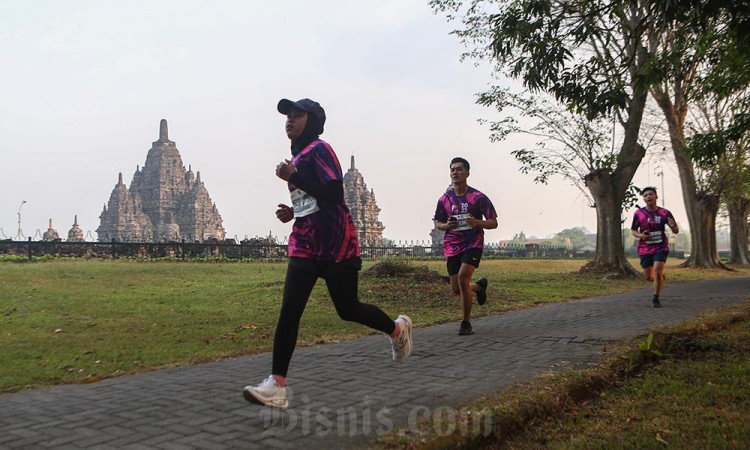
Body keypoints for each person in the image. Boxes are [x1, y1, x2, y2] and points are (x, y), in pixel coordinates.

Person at [243, 98, 413, 409]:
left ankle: (397, 329)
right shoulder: (299, 156)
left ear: (314, 121)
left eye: (297, 115)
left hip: (337, 243)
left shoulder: (320, 149)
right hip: (305, 242)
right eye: (287, 116)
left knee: (348, 309)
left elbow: (335, 194)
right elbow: (313, 200)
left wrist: (293, 176)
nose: (289, 121)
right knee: (290, 309)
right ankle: (276, 385)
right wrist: (293, 212)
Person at [433, 157, 498, 335]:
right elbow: (438, 222)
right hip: (452, 244)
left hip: (473, 242)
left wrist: (477, 222)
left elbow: (493, 222)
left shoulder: (478, 197)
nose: (455, 172)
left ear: (468, 173)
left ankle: (465, 323)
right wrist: (446, 226)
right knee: (457, 289)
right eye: (452, 169)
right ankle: (478, 287)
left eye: (459, 169)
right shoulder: (444, 199)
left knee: (463, 279)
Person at [630, 186, 679, 308]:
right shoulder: (639, 213)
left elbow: (676, 231)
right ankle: (660, 279)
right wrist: (641, 236)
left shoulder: (665, 213)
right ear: (643, 199)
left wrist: (673, 226)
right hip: (644, 247)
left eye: (651, 194)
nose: (648, 197)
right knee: (649, 276)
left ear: (656, 197)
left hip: (660, 245)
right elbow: (633, 230)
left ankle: (656, 298)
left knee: (657, 271)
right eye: (645, 195)